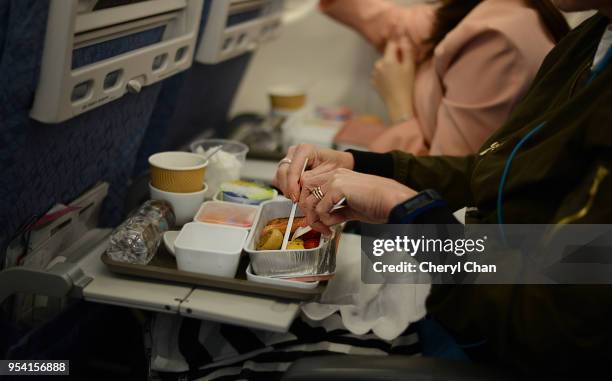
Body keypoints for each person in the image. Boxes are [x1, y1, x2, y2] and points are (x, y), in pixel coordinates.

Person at [275, 3, 612, 377]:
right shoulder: (592, 38)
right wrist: (364, 166)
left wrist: (409, 211)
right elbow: (492, 173)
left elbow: (550, 317)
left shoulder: (501, 33)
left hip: (487, 339)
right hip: (465, 288)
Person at [320, 0, 569, 155]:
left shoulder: (495, 40)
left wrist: (400, 105)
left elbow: (445, 179)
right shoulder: (473, 8)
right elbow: (400, 24)